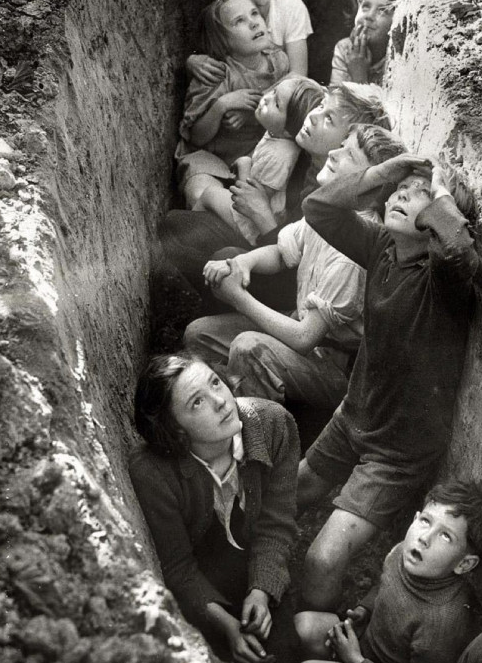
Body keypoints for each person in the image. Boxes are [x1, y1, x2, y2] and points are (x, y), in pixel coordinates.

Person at [298, 155, 480, 610]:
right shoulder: (382, 247)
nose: (402, 195)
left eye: (418, 192)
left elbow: (461, 254)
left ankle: (309, 638)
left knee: (322, 560)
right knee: (290, 494)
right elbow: (319, 208)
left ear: (439, 216)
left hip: (397, 452)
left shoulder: (443, 278)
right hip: (353, 416)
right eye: (400, 189)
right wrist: (384, 171)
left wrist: (439, 193)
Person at [183, 125, 405, 411]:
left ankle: (258, 429)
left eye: (348, 154)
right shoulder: (327, 215)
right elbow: (281, 251)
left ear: (368, 186)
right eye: (341, 145)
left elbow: (305, 338)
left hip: (332, 366)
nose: (334, 153)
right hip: (298, 326)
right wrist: (242, 262)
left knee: (248, 348)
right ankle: (224, 402)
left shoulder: (351, 252)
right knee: (198, 336)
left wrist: (238, 297)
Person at [128, 352, 299, 663]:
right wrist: (227, 627)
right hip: (203, 577)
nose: (221, 402)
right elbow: (178, 567)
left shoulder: (274, 424)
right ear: (175, 428)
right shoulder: (152, 473)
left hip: (254, 559)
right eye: (197, 403)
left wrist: (262, 591)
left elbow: (276, 527)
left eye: (215, 383)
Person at [295, 481, 482, 663]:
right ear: (415, 519)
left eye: (445, 536)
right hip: (366, 653)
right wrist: (364, 608)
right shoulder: (404, 552)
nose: (425, 538)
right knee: (303, 625)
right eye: (426, 521)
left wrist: (356, 662)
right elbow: (386, 582)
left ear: (464, 564)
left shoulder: (442, 621)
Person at [160, 82, 390, 312]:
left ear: (347, 141)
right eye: (321, 105)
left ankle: (213, 316)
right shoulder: (304, 151)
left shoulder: (335, 194)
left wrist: (262, 215)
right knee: (177, 225)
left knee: (213, 250)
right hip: (264, 241)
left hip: (291, 288)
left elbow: (292, 271)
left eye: (329, 119)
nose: (313, 116)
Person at [176, 0, 290, 209]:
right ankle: (227, 219)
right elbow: (196, 138)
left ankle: (248, 222)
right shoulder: (217, 74)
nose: (254, 23)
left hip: (255, 154)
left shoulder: (279, 61)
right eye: (240, 21)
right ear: (223, 40)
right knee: (199, 191)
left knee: (274, 190)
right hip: (212, 158)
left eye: (254, 14)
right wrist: (222, 105)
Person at [192, 75, 323, 246]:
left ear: (288, 131)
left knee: (209, 195)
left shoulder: (278, 156)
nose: (266, 99)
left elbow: (252, 196)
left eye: (277, 104)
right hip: (251, 207)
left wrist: (245, 164)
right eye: (274, 91)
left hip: (252, 224)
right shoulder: (275, 134)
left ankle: (187, 235)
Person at [330, 0, 400, 86]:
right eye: (366, 7)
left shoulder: (399, 57)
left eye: (382, 11)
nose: (369, 16)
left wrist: (359, 77)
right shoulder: (345, 48)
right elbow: (335, 99)